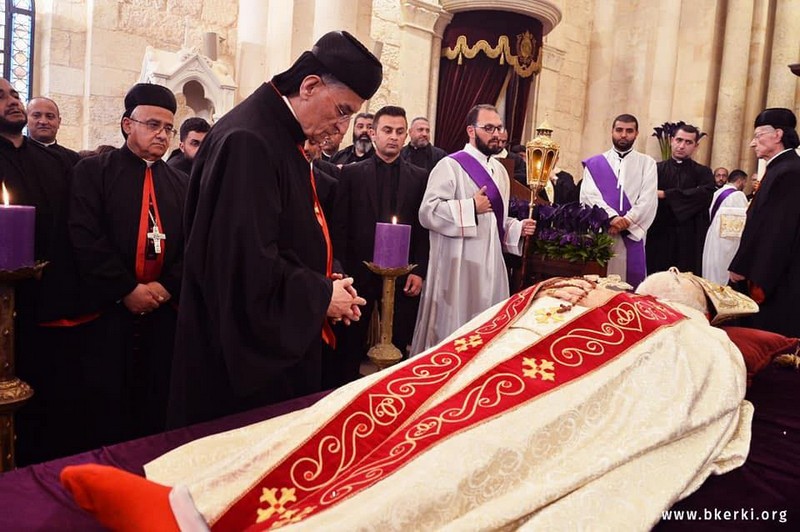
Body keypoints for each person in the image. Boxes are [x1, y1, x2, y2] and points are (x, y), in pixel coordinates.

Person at [60, 275, 750, 532]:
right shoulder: (577, 287)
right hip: (458, 374)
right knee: (363, 406)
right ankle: (191, 506)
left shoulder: (698, 341)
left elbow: (691, 403)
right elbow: (484, 329)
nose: (677, 276)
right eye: (674, 270)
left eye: (687, 278)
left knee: (458, 460)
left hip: (547, 409)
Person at [167, 31, 381, 428]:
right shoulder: (249, 141)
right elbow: (240, 267)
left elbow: (281, 239)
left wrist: (325, 283)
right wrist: (319, 296)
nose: (342, 127)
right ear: (310, 85)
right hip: (237, 369)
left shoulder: (278, 134)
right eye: (342, 110)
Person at [68, 83, 188, 447]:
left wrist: (167, 286)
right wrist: (125, 290)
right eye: (153, 125)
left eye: (168, 128)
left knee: (155, 405)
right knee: (105, 407)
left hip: (163, 313)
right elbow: (84, 235)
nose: (162, 135)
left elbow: (195, 244)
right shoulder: (93, 172)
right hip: (108, 313)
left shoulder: (182, 183)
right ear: (126, 124)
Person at [0, 79, 88, 464]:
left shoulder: (58, 162)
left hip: (49, 295)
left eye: (14, 94)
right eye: (0, 97)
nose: (12, 102)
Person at [410, 104, 536, 355]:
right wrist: (470, 207)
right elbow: (428, 212)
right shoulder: (450, 166)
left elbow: (495, 222)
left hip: (490, 263)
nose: (497, 134)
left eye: (499, 128)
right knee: (455, 327)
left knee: (488, 325)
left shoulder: (499, 171)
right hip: (457, 266)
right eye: (488, 128)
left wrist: (516, 228)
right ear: (471, 130)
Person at [330, 105, 429, 385]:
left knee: (398, 342)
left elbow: (423, 230)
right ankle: (343, 396)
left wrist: (419, 271)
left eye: (400, 132)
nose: (394, 137)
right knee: (349, 345)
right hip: (358, 271)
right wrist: (339, 268)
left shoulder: (419, 177)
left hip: (403, 273)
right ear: (373, 133)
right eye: (387, 130)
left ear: (406, 135)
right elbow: (340, 227)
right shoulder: (351, 174)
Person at [729, 107, 800, 338]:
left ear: (778, 135)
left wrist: (745, 269)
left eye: (758, 135)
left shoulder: (789, 171)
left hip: (776, 278)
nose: (752, 143)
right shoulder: (780, 168)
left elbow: (776, 232)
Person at [580, 113, 657, 288]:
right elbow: (589, 196)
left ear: (636, 133)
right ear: (612, 132)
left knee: (629, 286)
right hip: (603, 233)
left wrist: (627, 221)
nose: (624, 135)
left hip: (632, 233)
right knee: (599, 286)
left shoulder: (647, 163)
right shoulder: (595, 163)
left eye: (629, 131)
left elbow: (648, 198)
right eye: (619, 130)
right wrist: (611, 218)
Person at [645, 123, 715, 275]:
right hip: (659, 234)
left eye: (688, 142)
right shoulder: (655, 169)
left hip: (690, 237)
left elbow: (704, 196)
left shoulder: (703, 172)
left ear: (696, 146)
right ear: (671, 140)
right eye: (679, 140)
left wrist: (666, 195)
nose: (682, 146)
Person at [702, 169, 747, 285]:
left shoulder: (717, 192)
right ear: (740, 181)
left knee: (712, 270)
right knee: (722, 273)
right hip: (727, 241)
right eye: (745, 182)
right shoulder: (738, 195)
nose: (745, 185)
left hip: (713, 236)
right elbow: (741, 224)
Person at [26, 96, 80, 167]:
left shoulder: (73, 159)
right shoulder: (17, 153)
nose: (43, 121)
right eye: (36, 116)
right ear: (26, 120)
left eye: (50, 116)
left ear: (59, 122)